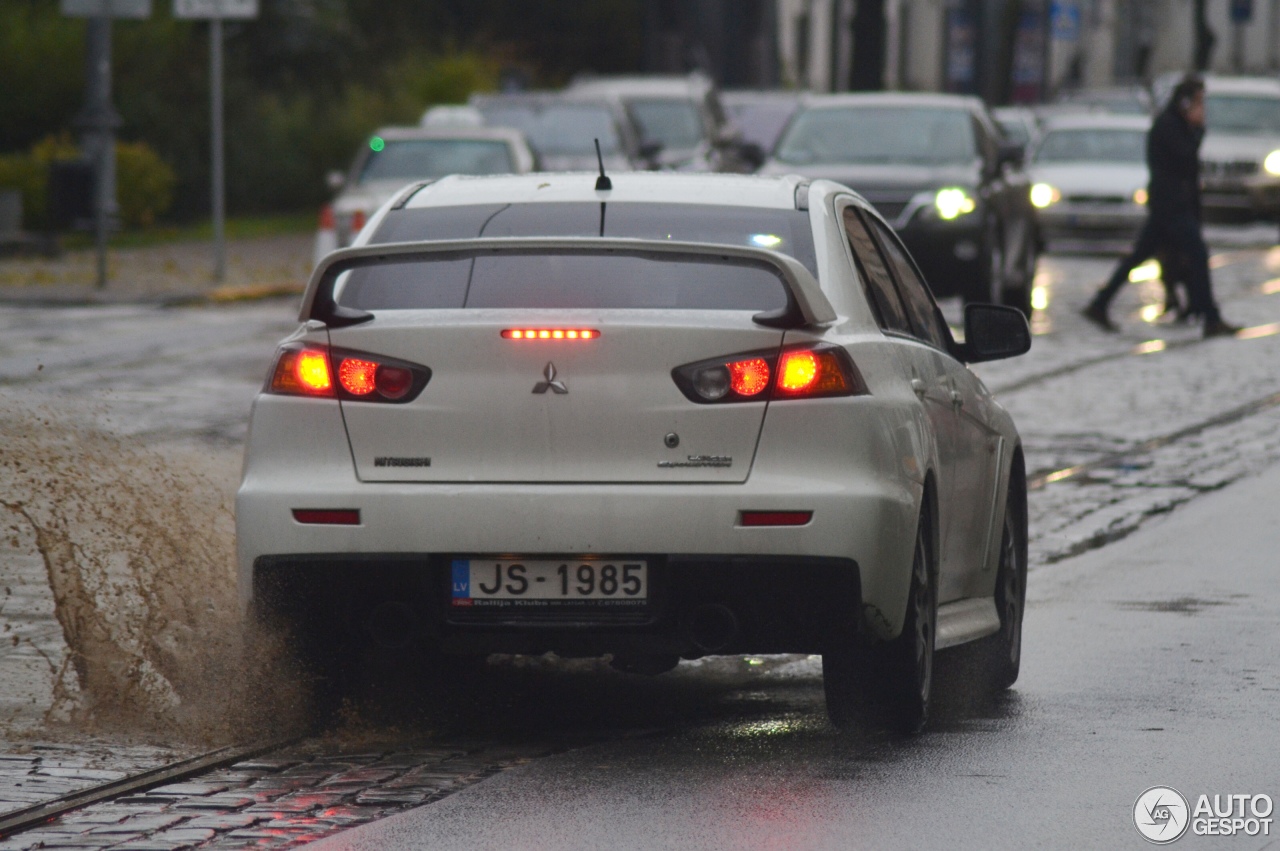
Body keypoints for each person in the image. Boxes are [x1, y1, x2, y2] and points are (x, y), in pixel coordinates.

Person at [1082, 76, 1240, 338]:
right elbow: (1183, 158)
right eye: (1199, 102)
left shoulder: (1176, 125)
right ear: (1186, 102)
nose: (1202, 109)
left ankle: (1100, 303)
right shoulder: (1168, 125)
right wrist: (1198, 130)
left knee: (1141, 255)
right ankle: (1210, 318)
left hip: (1172, 206)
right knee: (1197, 255)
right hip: (1170, 206)